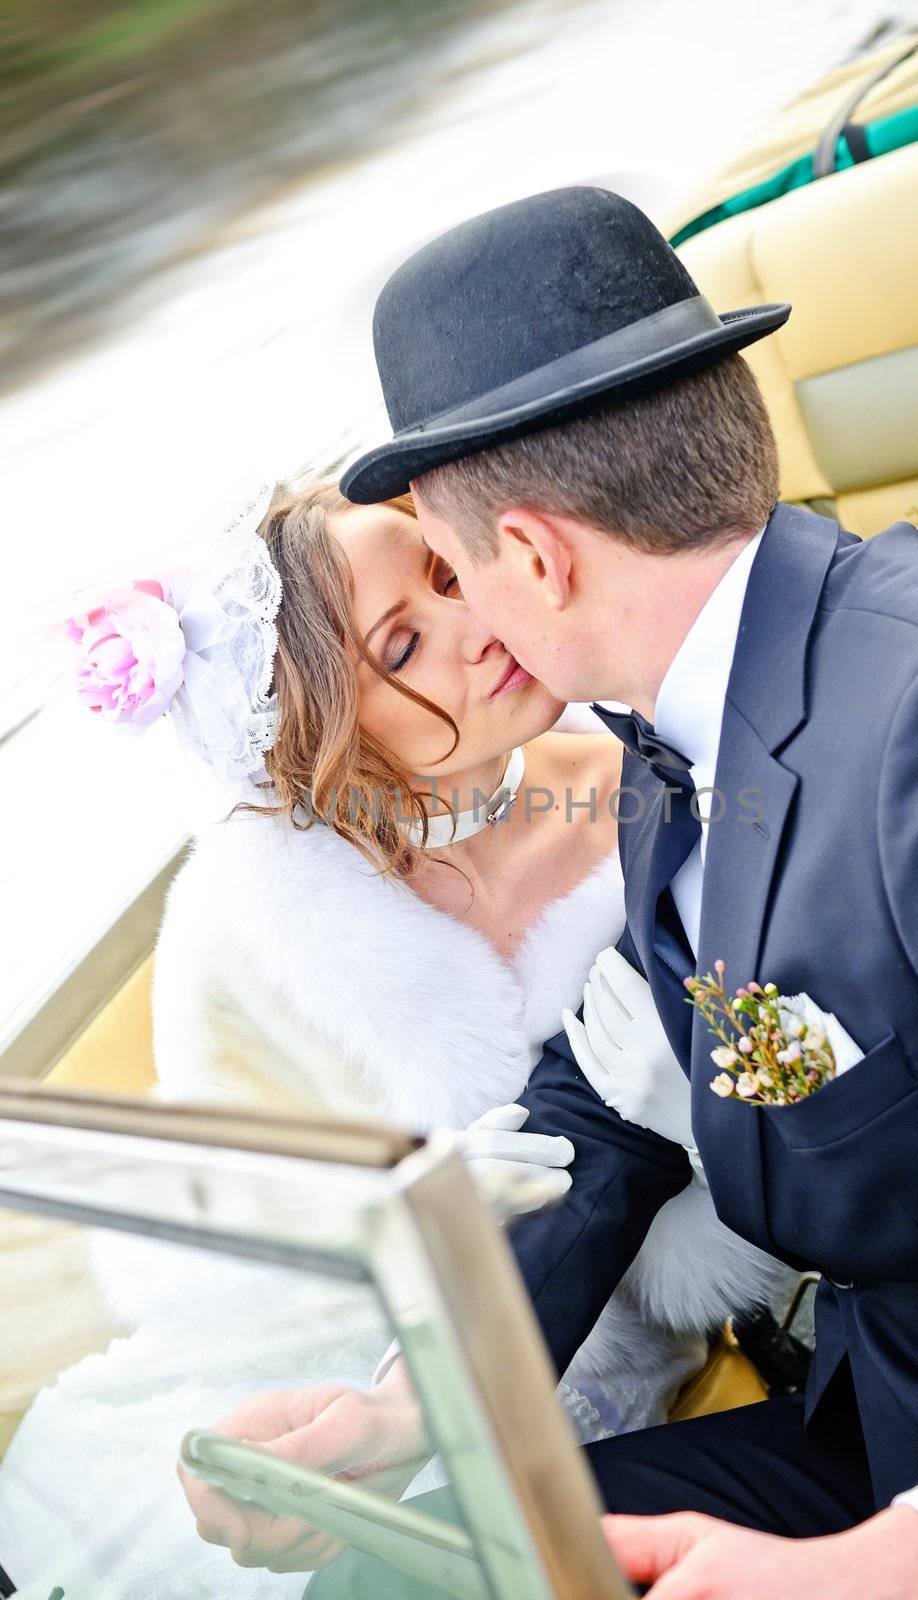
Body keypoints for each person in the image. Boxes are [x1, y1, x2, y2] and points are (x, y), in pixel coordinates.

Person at [186, 187, 918, 1600]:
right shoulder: (680, 730)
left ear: (529, 555)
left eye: (451, 569)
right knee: (405, 1571)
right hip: (894, 1408)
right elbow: (607, 1090)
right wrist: (415, 1412)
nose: (467, 627)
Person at [0, 478, 784, 1600]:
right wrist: (410, 1211)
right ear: (329, 738)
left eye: (452, 574)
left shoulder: (647, 786)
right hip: (340, 1323)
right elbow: (249, 1196)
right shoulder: (250, 919)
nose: (478, 628)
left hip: (594, 1315)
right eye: (405, 644)